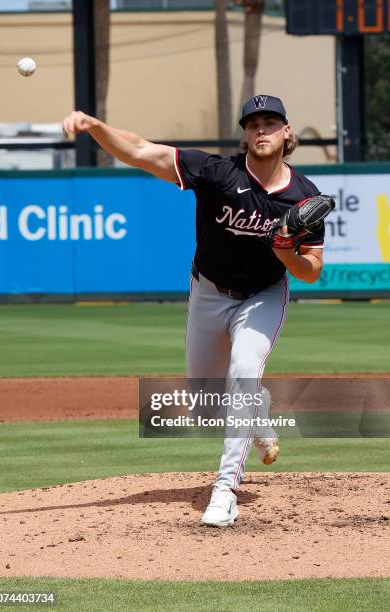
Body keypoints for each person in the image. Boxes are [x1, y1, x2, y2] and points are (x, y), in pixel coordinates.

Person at [62, 95, 326, 528]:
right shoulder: (216, 172)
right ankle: (256, 409)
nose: (261, 130)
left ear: (287, 132)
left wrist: (286, 252)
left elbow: (312, 270)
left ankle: (226, 489)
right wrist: (95, 126)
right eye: (253, 123)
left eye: (270, 122)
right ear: (244, 133)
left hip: (263, 295)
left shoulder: (304, 197)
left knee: (243, 369)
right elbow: (142, 151)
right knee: (206, 407)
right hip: (208, 292)